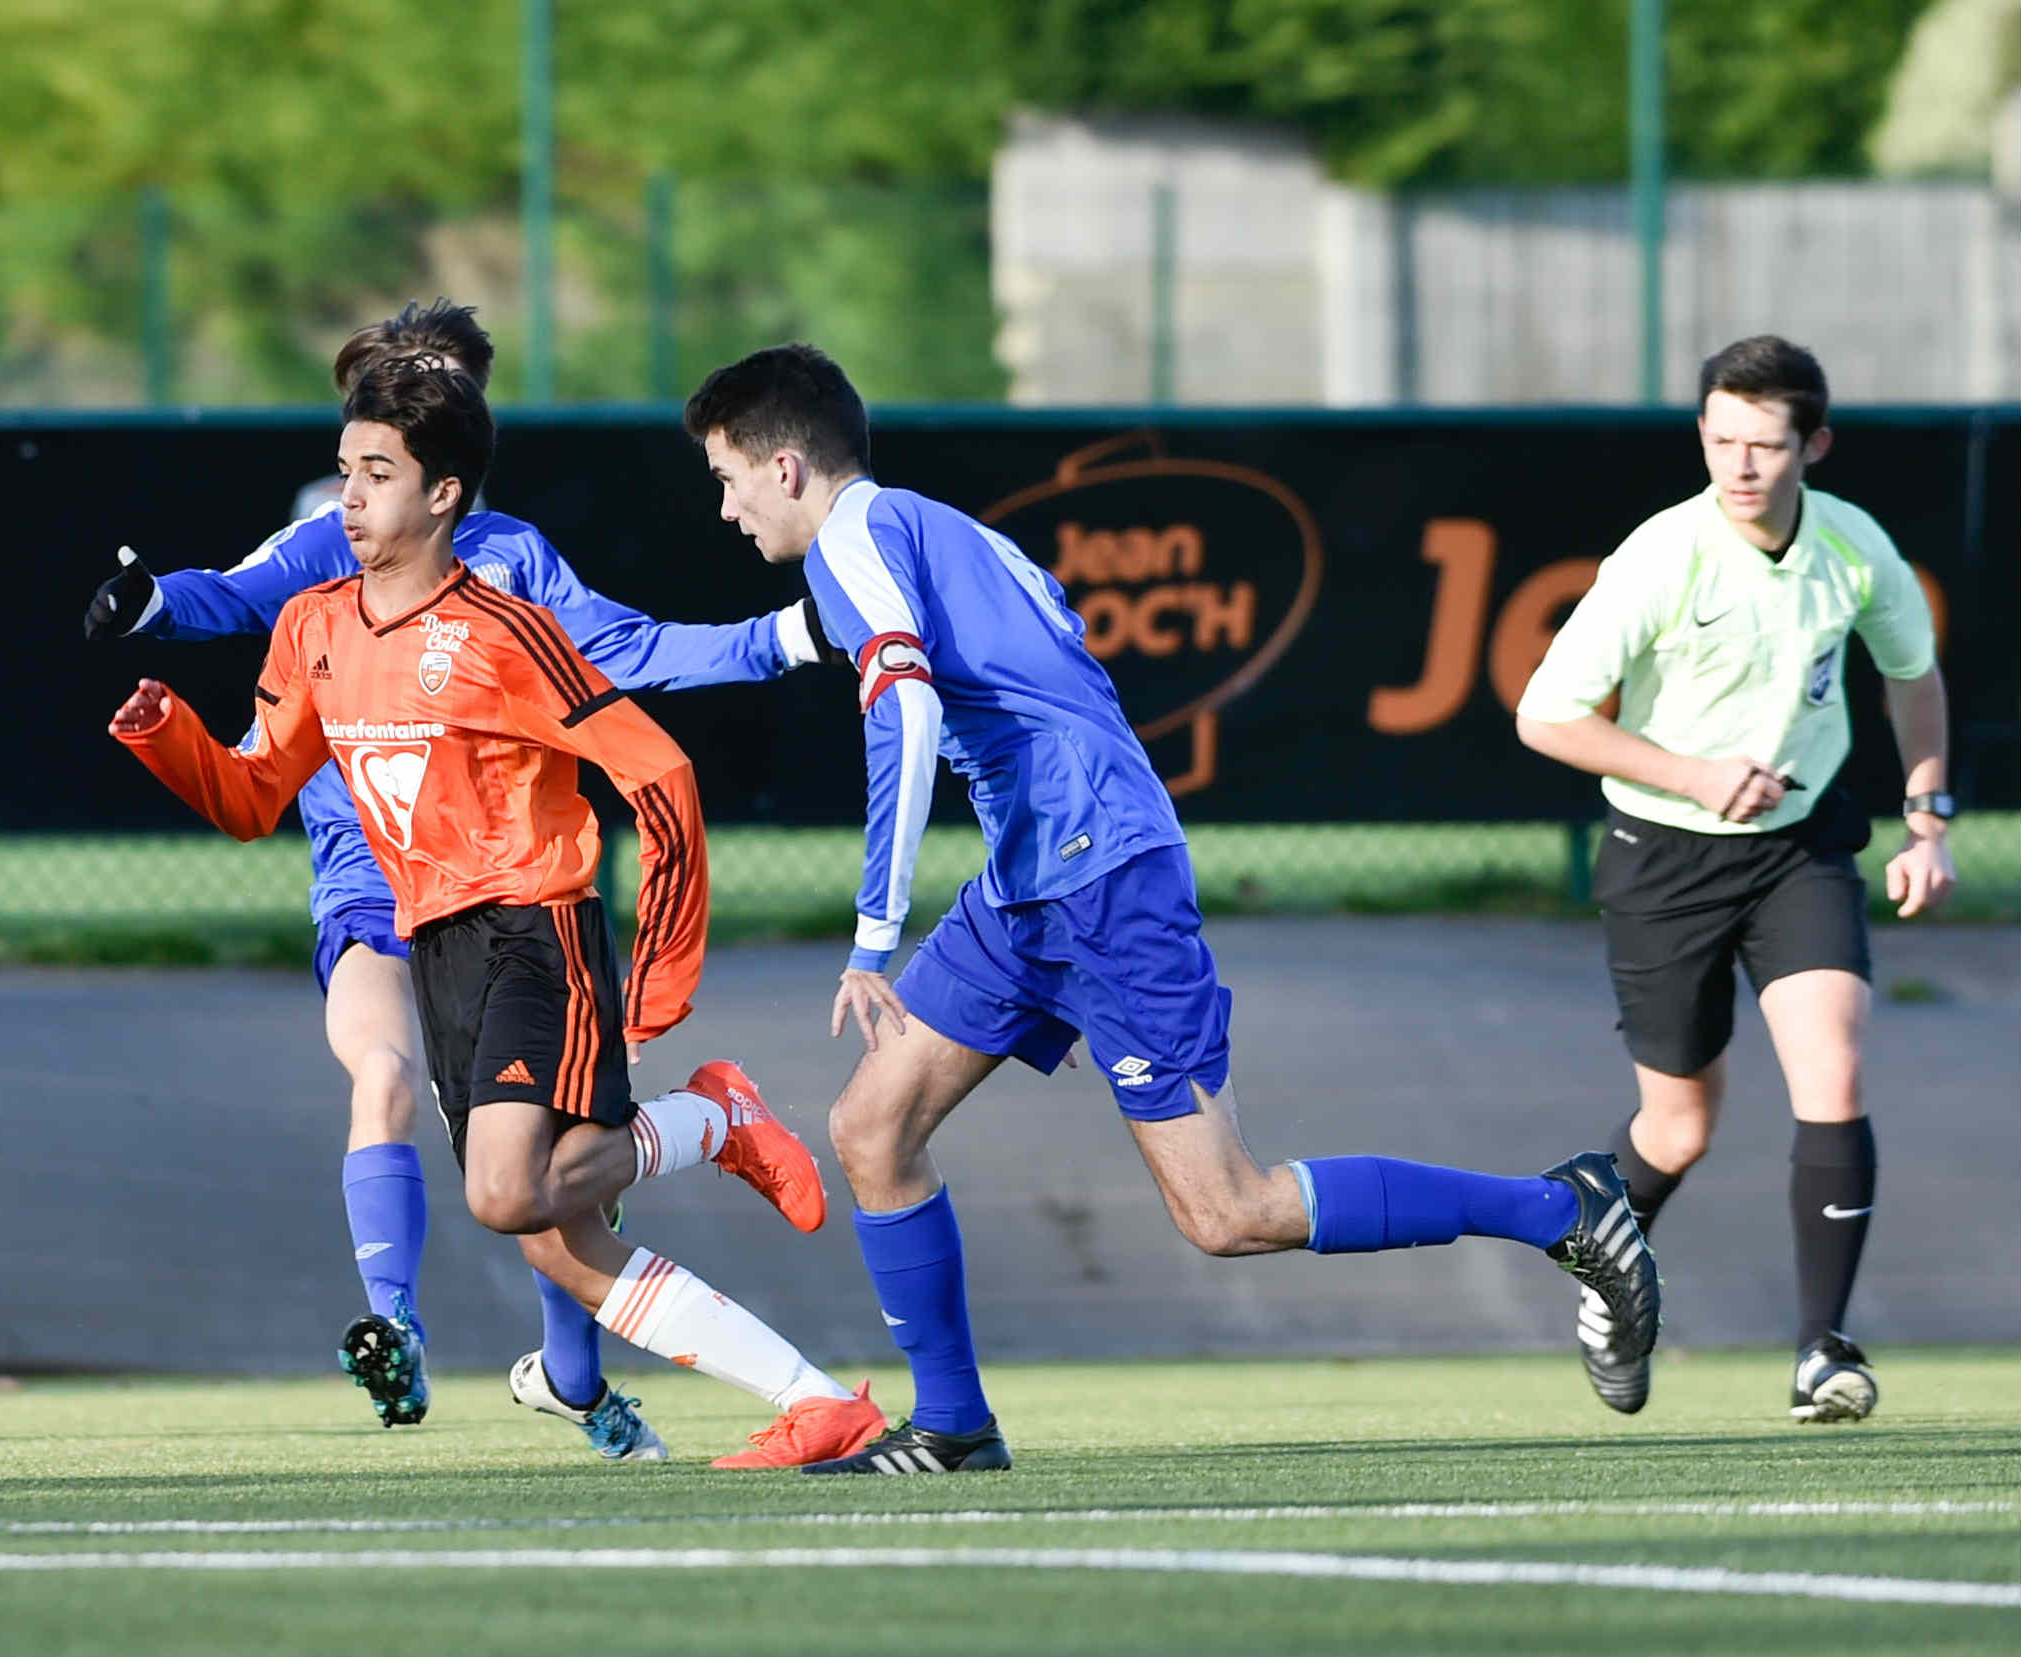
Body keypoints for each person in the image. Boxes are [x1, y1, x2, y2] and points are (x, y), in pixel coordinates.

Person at [680, 344, 1662, 1475]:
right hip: (1028, 884)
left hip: (1100, 874)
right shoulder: (932, 533)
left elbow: (897, 702)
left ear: (786, 466)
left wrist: (870, 934)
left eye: (726, 477)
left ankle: (1559, 1209)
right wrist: (589, 646)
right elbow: (770, 650)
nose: (722, 507)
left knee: (1226, 1210)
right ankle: (952, 1425)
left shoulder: (857, 545)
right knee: (870, 1128)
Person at [86, 302, 833, 1457]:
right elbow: (241, 726)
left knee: (519, 1189)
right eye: (357, 448)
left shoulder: (505, 593)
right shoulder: (319, 599)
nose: (355, 483)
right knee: (508, 1185)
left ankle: (641, 1272)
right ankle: (493, 1340)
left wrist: (773, 644)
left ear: (452, 473)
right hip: (395, 910)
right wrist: (161, 684)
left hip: (525, 911)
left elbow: (636, 715)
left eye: (429, 407)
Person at [1516, 335, 1954, 1423]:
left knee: (1833, 1072)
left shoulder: (1851, 548)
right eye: (1720, 441)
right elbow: (1543, 716)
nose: (1741, 465)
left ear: (1813, 443)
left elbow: (1913, 677)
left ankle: (1821, 1350)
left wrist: (1925, 818)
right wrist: (1691, 773)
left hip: (1798, 845)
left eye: (1764, 443)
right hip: (1661, 856)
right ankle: (1604, 1259)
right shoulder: (1659, 558)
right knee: (1677, 1128)